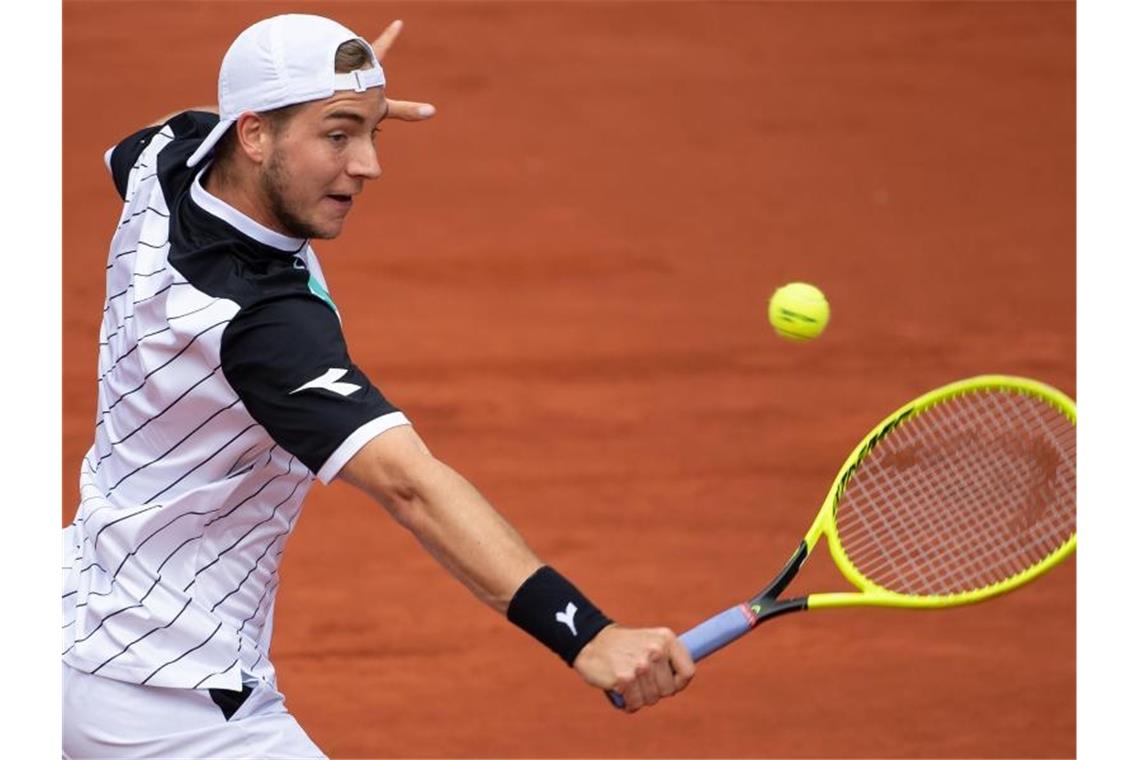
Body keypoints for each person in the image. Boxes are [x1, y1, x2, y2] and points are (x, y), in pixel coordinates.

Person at [62, 13, 694, 757]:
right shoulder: (262, 326)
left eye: (371, 134)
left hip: (67, 609)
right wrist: (585, 632)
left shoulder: (166, 165)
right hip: (166, 693)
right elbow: (410, 485)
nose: (368, 165)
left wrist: (332, 104)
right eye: (339, 138)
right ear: (255, 135)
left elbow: (175, 126)